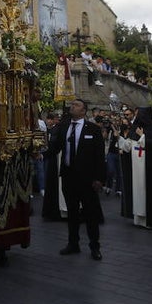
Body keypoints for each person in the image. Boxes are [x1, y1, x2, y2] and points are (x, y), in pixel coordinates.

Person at [53, 99, 105, 260]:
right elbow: (56, 147)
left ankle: (94, 246)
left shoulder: (93, 130)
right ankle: (73, 243)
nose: (72, 107)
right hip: (69, 176)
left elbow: (99, 156)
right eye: (72, 105)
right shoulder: (64, 127)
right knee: (72, 212)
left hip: (87, 179)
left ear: (84, 111)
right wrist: (41, 154)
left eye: (76, 105)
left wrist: (99, 178)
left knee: (90, 214)